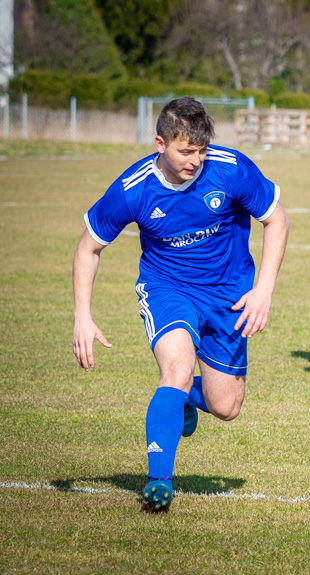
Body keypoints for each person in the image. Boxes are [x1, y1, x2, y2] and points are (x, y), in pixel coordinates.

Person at [72, 97, 289, 512]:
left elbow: (276, 220)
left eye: (201, 150)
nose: (195, 160)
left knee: (226, 406)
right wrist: (83, 316)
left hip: (230, 294)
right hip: (168, 289)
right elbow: (88, 249)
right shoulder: (132, 189)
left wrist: (264, 289)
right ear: (160, 143)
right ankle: (158, 481)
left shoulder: (230, 168)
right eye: (186, 151)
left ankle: (188, 398)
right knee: (176, 368)